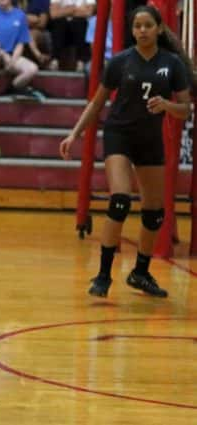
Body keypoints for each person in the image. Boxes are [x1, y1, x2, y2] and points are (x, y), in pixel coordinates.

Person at [59, 5, 193, 298]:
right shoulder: (120, 62)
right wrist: (74, 134)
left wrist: (167, 106)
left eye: (147, 25)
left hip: (150, 139)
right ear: (132, 31)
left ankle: (140, 273)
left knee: (154, 212)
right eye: (137, 26)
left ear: (159, 29)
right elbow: (97, 104)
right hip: (119, 135)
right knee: (119, 199)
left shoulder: (173, 64)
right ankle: (104, 275)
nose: (142, 31)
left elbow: (185, 108)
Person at [0, 0, 41, 98]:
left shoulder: (20, 15)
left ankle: (13, 87)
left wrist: (13, 61)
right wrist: (2, 54)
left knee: (32, 69)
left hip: (11, 54)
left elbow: (21, 43)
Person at [47, 0, 95, 72]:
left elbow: (89, 12)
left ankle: (81, 61)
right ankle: (55, 60)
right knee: (59, 23)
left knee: (79, 22)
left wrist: (64, 10)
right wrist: (76, 10)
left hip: (81, 28)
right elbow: (53, 14)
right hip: (62, 29)